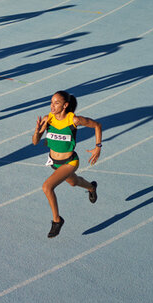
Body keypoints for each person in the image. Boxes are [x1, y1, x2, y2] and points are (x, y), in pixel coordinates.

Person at [32, 91, 102, 238]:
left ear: (65, 105)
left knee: (47, 187)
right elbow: (35, 142)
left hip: (70, 162)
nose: (52, 106)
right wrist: (37, 132)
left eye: (56, 103)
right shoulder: (48, 119)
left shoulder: (74, 120)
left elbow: (97, 125)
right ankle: (91, 187)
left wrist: (98, 147)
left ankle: (57, 221)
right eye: (51, 102)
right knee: (73, 182)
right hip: (55, 163)